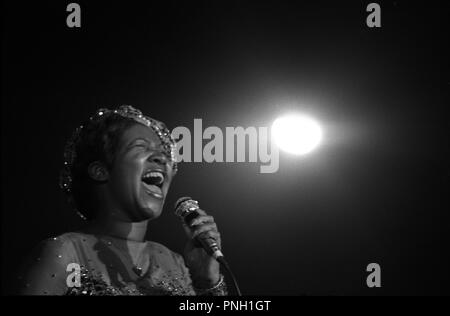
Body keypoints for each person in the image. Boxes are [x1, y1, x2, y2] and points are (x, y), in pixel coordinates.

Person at [17, 105, 227, 295]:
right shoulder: (64, 253)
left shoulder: (176, 263)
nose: (162, 158)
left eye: (164, 153)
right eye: (140, 146)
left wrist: (207, 282)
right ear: (100, 171)